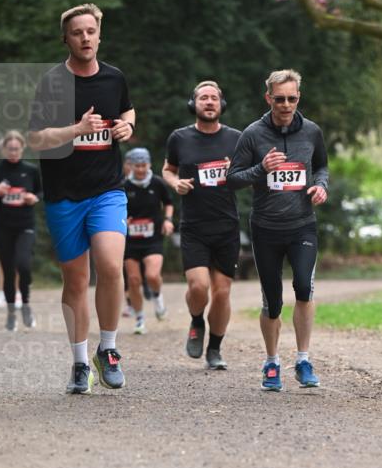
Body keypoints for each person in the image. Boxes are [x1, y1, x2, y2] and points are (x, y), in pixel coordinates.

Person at [27, 2, 135, 394]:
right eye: (77, 33)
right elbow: (36, 139)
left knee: (110, 265)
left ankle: (108, 349)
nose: (85, 38)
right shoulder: (51, 83)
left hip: (107, 190)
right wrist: (76, 129)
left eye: (91, 31)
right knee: (75, 280)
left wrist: (126, 127)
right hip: (64, 195)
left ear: (99, 36)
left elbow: (128, 111)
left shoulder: (114, 78)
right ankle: (79, 363)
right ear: (66, 39)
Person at [227, 68, 328, 391]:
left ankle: (303, 360)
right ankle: (271, 362)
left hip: (302, 226)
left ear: (299, 98)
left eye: (292, 99)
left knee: (304, 287)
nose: (286, 105)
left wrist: (321, 186)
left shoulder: (311, 131)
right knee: (272, 301)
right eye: (280, 99)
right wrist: (261, 168)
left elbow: (321, 166)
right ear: (268, 98)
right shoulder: (253, 134)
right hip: (266, 228)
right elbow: (232, 178)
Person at [163, 80, 241, 370]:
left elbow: (251, 174)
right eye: (203, 98)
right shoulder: (179, 138)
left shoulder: (236, 138)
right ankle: (197, 321)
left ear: (221, 104)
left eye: (214, 98)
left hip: (226, 226)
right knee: (199, 287)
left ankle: (215, 349)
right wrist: (175, 183)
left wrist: (237, 171)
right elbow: (167, 169)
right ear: (193, 104)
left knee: (222, 292)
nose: (209, 102)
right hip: (194, 225)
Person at [0, 130, 42, 330]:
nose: (13, 152)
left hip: (25, 225)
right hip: (3, 227)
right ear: (3, 149)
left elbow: (41, 191)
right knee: (8, 272)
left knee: (23, 265)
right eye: (10, 149)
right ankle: (11, 314)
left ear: (22, 148)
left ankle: (26, 305)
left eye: (17, 149)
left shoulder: (31, 170)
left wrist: (34, 197)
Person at [123, 146, 175, 334]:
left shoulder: (157, 183)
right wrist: (123, 219)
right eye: (137, 166)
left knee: (152, 276)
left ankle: (158, 299)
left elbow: (168, 203)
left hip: (153, 238)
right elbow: (116, 207)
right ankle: (139, 319)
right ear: (131, 166)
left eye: (143, 165)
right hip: (131, 240)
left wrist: (168, 220)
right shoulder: (124, 186)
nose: (140, 169)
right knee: (134, 280)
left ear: (149, 164)